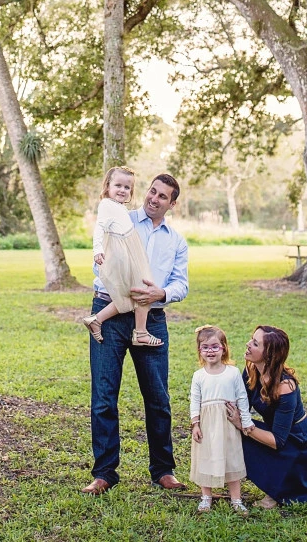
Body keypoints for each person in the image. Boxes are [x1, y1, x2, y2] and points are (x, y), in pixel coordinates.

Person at [82, 173, 189, 496]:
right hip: (110, 314)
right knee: (103, 396)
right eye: (152, 191)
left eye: (162, 196)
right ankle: (104, 473)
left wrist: (160, 293)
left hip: (152, 320)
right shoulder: (121, 219)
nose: (153, 198)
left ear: (172, 204)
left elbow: (181, 285)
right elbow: (98, 261)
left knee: (158, 399)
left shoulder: (176, 241)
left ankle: (163, 470)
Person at [225, 325, 307, 506]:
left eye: (255, 343)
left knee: (241, 429)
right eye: (251, 339)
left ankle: (278, 490)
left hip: (296, 442)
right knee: (229, 424)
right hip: (273, 432)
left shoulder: (285, 387)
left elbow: (278, 441)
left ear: (269, 355)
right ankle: (231, 475)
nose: (248, 344)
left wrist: (243, 425)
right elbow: (239, 403)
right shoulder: (252, 369)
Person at [81, 167, 162, 348]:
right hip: (121, 251)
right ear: (107, 186)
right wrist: (97, 250)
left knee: (136, 293)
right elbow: (99, 228)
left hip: (130, 248)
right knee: (141, 290)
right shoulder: (106, 204)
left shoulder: (118, 207)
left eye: (127, 188)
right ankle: (140, 333)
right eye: (118, 185)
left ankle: (97, 319)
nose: (122, 190)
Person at [189, 325, 252, 515]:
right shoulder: (198, 376)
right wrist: (195, 424)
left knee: (232, 458)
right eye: (205, 347)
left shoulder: (232, 372)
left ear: (224, 347)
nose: (210, 351)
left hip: (228, 422)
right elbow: (195, 401)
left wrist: (246, 421)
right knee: (206, 458)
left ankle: (236, 499)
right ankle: (206, 497)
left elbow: (242, 397)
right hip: (207, 424)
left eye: (215, 346)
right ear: (199, 350)